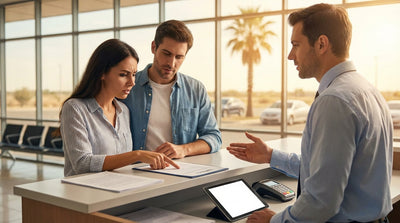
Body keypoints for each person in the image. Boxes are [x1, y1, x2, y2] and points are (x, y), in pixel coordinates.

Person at [227, 3, 393, 223]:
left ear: (321, 44)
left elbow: (321, 201)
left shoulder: (334, 101)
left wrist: (273, 221)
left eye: (296, 45)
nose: (290, 55)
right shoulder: (367, 90)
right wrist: (271, 156)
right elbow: (327, 169)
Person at [60, 39, 179, 177]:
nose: (132, 82)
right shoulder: (75, 109)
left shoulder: (124, 111)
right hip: (86, 194)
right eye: (123, 75)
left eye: (134, 74)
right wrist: (137, 155)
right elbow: (82, 163)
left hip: (120, 191)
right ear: (102, 73)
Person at [122, 20, 221, 159]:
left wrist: (184, 150)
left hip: (181, 172)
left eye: (179, 57)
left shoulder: (196, 89)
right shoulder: (128, 86)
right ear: (153, 47)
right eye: (166, 53)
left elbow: (214, 137)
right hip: (136, 172)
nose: (171, 63)